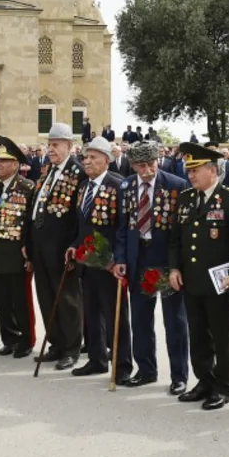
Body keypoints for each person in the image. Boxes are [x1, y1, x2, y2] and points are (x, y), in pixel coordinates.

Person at [167, 142, 229, 410]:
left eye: (196, 170)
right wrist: (175, 268)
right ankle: (204, 380)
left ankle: (223, 387)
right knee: (198, 333)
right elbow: (176, 239)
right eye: (188, 170)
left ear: (213, 171)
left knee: (221, 336)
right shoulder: (187, 199)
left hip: (219, 283)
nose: (190, 175)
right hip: (191, 279)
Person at [113, 141, 189, 394]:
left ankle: (179, 375)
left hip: (166, 262)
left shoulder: (176, 185)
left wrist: (178, 265)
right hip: (139, 260)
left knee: (174, 321)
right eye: (141, 166)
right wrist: (121, 259)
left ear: (159, 161)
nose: (147, 171)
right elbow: (122, 227)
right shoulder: (126, 186)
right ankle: (146, 370)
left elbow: (182, 232)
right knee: (141, 319)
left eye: (151, 164)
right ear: (132, 165)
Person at [68, 137, 130, 381]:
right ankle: (97, 360)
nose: (88, 161)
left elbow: (124, 227)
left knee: (115, 316)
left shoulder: (119, 186)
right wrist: (74, 247)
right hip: (86, 261)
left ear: (107, 160)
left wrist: (117, 259)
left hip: (109, 264)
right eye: (86, 157)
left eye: (94, 157)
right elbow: (80, 226)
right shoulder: (83, 186)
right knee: (91, 314)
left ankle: (122, 365)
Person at [30, 123, 87, 370]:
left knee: (67, 299)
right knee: (46, 296)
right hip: (41, 246)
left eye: (56, 145)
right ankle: (55, 343)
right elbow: (36, 208)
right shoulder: (48, 172)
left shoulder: (78, 172)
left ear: (69, 146)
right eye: (49, 144)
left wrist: (75, 245)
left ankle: (72, 347)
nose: (51, 149)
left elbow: (80, 215)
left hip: (63, 248)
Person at [0, 137, 35, 357]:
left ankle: (25, 341)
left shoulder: (27, 188)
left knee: (20, 301)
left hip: (17, 254)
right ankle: (9, 338)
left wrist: (28, 250)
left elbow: (31, 224)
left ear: (15, 164)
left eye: (3, 161)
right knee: (2, 301)